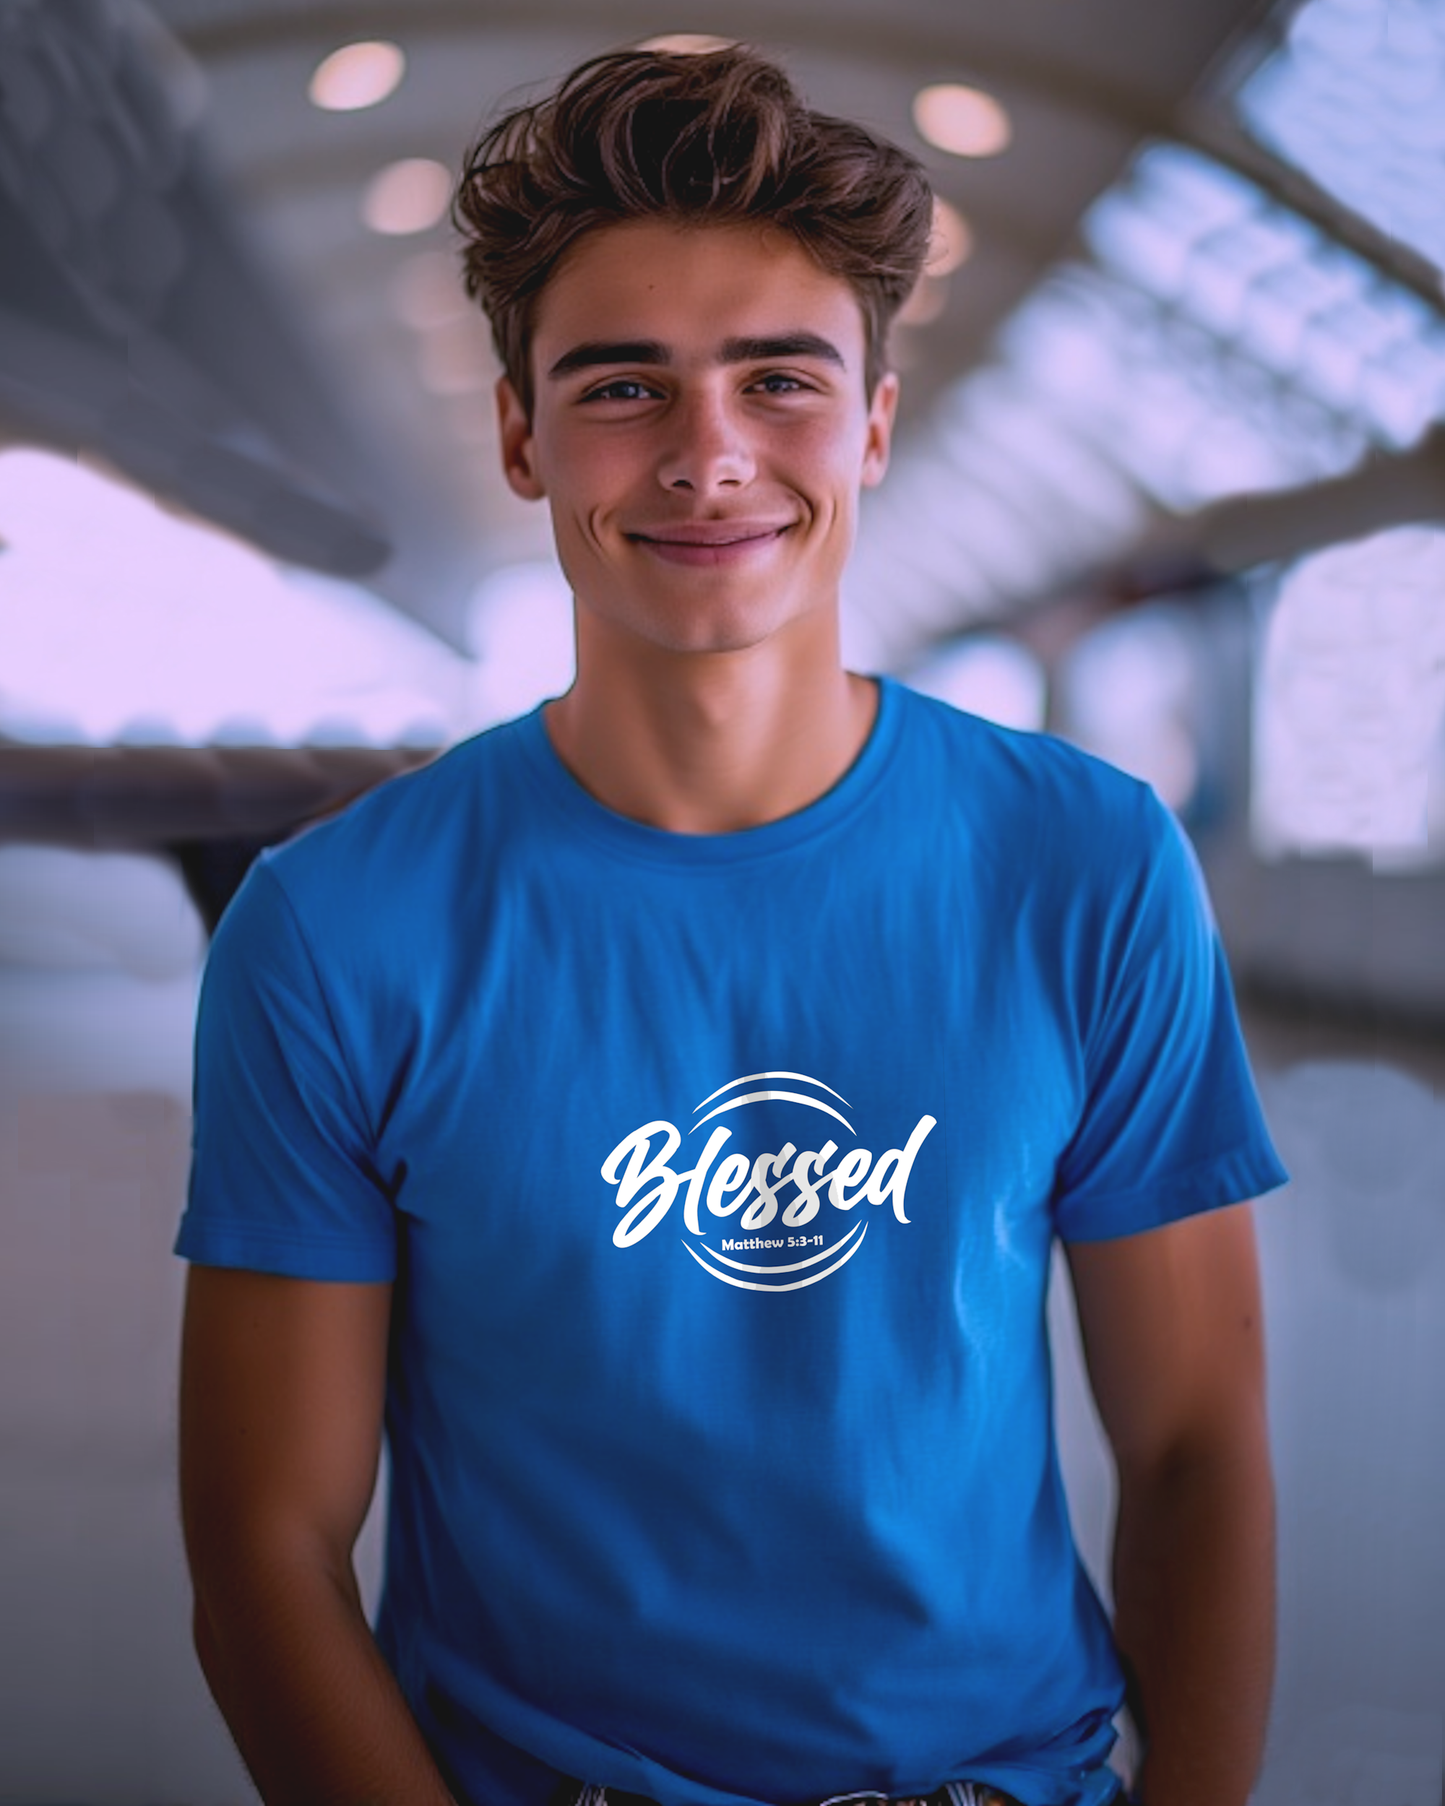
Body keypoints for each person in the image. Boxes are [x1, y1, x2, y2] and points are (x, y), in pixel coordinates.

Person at [176, 43, 1287, 1806]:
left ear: (873, 425)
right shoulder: (336, 927)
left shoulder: (1086, 863)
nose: (709, 455)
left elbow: (1196, 1441)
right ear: (524, 436)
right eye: (625, 387)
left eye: (779, 379)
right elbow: (268, 1538)